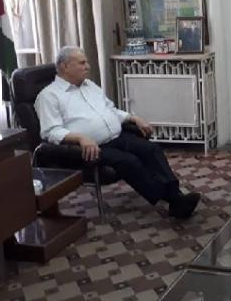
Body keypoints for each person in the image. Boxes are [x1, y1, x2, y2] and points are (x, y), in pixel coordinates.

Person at [35, 46, 201, 219]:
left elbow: (111, 110)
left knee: (151, 149)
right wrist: (80, 137)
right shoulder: (49, 96)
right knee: (130, 162)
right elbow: (50, 132)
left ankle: (175, 196)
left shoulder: (89, 86)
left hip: (117, 137)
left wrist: (133, 118)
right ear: (64, 67)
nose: (88, 67)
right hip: (91, 148)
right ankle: (174, 200)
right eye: (82, 63)